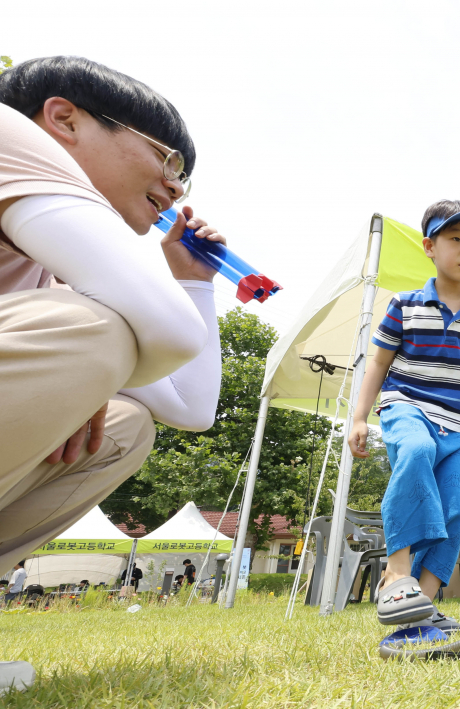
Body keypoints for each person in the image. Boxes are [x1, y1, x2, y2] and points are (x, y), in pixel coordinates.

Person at [0, 57, 226, 696]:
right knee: (94, 331)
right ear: (63, 119)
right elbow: (170, 333)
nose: (177, 190)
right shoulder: (7, 133)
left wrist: (189, 280)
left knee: (125, 426)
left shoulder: (53, 278)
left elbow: (190, 405)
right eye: (167, 160)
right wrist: (94, 365)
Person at [348, 200, 460, 632]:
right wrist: (359, 417)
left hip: (459, 426)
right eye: (455, 238)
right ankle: (396, 575)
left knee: (454, 510)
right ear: (429, 246)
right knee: (415, 452)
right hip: (407, 407)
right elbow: (378, 364)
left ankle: (421, 601)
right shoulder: (405, 304)